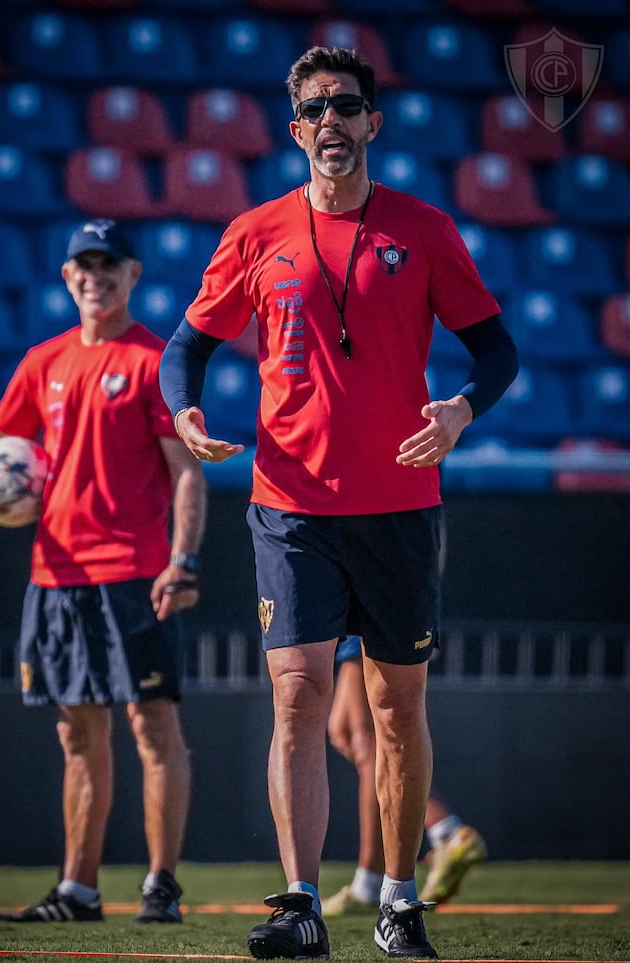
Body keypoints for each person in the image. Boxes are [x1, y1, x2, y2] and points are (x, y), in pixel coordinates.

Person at [159, 44, 518, 960]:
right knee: (298, 696)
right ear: (295, 131)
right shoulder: (255, 232)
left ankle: (399, 902)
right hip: (291, 505)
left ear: (372, 123)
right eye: (314, 110)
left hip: (400, 501)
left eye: (345, 107)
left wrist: (462, 410)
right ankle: (302, 904)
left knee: (398, 708)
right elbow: (186, 348)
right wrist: (183, 410)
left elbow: (497, 351)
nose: (331, 123)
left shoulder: (426, 229)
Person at [0, 219, 207, 926]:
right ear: (65, 277)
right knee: (77, 734)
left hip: (134, 573)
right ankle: (78, 890)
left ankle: (161, 885)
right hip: (55, 574)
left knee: (153, 727)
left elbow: (187, 474)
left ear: (133, 274)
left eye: (109, 263)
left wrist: (183, 559)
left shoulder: (154, 361)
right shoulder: (43, 360)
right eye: (83, 265)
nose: (95, 276)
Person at [324, 636, 488, 916]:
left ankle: (442, 835)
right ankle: (438, 833)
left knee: (369, 738)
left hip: (367, 607)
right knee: (345, 731)